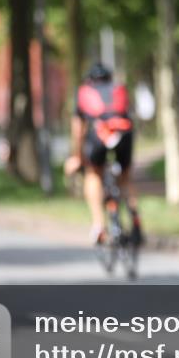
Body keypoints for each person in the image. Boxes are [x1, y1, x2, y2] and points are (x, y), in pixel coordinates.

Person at [64, 62, 142, 246]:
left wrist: (77, 156)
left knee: (93, 174)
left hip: (99, 134)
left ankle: (99, 224)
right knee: (125, 177)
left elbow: (78, 130)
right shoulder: (119, 89)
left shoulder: (84, 91)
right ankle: (136, 220)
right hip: (124, 133)